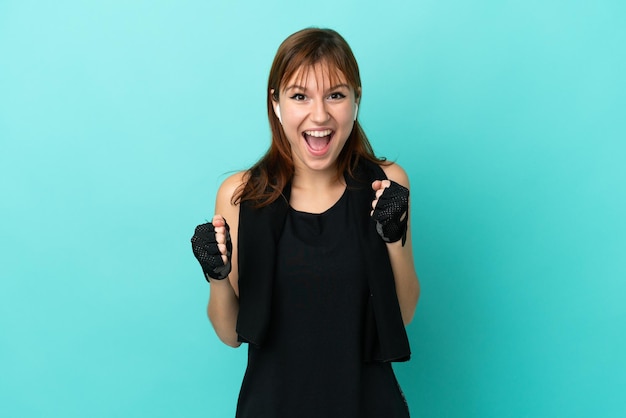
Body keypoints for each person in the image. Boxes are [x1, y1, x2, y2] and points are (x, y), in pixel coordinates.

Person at [191, 27, 420, 418]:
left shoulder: (388, 183)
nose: (319, 115)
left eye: (336, 95)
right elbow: (231, 334)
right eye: (300, 96)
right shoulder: (240, 194)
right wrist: (216, 274)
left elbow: (404, 313)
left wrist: (393, 237)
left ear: (356, 99)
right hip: (272, 406)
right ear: (276, 103)